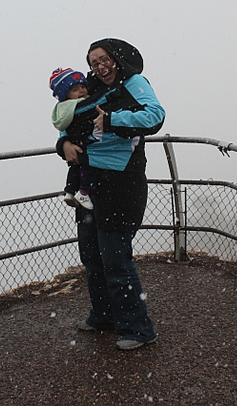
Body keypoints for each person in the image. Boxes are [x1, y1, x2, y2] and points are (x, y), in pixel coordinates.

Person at [56, 38, 165, 351]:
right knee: (91, 256)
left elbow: (155, 116)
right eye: (93, 62)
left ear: (118, 58)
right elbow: (69, 120)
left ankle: (139, 329)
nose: (99, 66)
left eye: (104, 59)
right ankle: (104, 316)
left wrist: (114, 119)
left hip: (122, 184)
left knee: (116, 260)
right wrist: (62, 144)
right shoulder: (91, 90)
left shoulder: (133, 83)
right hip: (91, 183)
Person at [49, 67, 95, 210]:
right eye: (75, 89)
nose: (81, 91)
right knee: (89, 167)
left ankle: (69, 191)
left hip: (74, 143)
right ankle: (83, 192)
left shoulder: (62, 109)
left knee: (75, 168)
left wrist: (65, 142)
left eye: (82, 86)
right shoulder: (81, 105)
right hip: (86, 143)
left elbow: (64, 128)